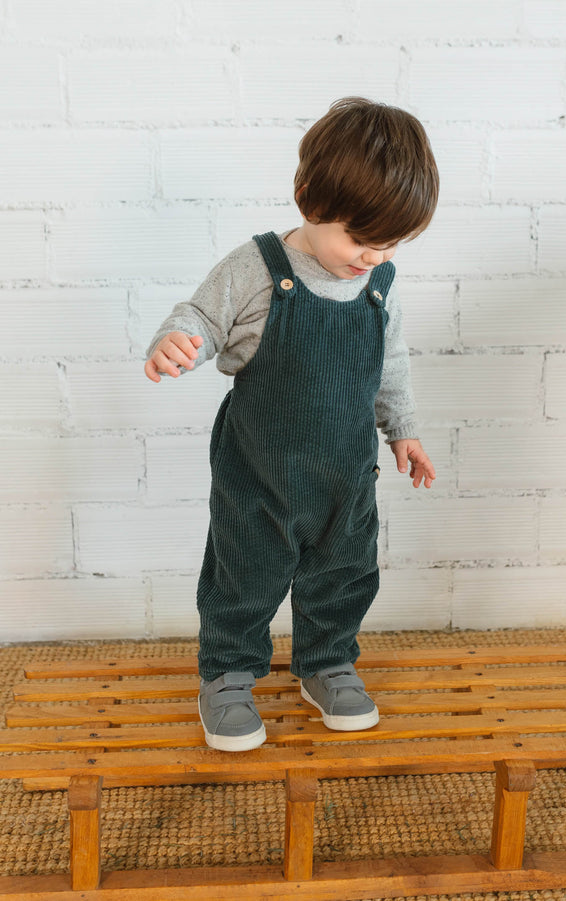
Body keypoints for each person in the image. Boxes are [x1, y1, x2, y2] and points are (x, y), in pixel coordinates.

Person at [144, 97, 439, 751]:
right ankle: (226, 674)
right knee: (244, 573)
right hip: (260, 472)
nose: (370, 256)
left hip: (344, 474)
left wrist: (404, 432)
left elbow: (389, 364)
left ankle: (327, 661)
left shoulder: (377, 284)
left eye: (389, 244)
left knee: (344, 571)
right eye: (358, 239)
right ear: (307, 196)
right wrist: (175, 340)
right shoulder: (258, 270)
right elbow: (199, 315)